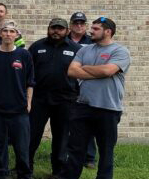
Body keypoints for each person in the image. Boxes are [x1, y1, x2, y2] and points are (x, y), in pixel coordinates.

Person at [62, 17, 129, 179]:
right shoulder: (84, 50)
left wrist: (84, 68)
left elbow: (108, 71)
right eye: (91, 27)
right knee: (75, 150)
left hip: (108, 109)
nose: (91, 30)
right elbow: (71, 71)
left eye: (96, 28)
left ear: (108, 31)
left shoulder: (120, 51)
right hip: (83, 107)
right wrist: (98, 71)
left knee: (106, 152)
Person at [0, 20, 34, 179]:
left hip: (19, 110)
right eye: (5, 31)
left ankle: (24, 174)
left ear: (16, 34)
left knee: (22, 148)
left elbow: (30, 82)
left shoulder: (24, 55)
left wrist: (29, 103)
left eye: (12, 31)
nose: (8, 34)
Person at [27, 18, 81, 178]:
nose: (56, 31)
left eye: (60, 28)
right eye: (53, 28)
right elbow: (28, 72)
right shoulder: (37, 47)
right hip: (39, 99)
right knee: (32, 135)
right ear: (48, 29)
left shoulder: (76, 49)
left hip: (65, 100)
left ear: (67, 31)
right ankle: (25, 167)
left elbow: (82, 74)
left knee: (61, 137)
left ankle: (58, 170)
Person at [66, 11, 97, 167]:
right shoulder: (63, 41)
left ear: (85, 25)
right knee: (67, 122)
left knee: (87, 121)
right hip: (67, 86)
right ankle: (67, 153)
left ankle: (90, 157)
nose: (79, 25)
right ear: (70, 25)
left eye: (82, 23)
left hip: (86, 86)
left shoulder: (93, 41)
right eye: (76, 23)